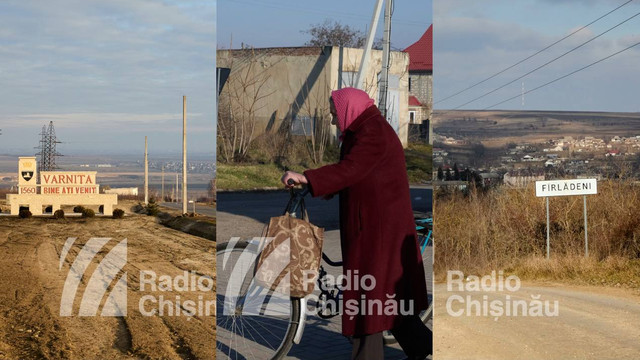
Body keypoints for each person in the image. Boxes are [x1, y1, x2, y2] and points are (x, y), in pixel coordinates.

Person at [281, 87, 432, 360]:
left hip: (378, 236)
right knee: (392, 307)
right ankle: (427, 350)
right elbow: (356, 173)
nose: (333, 120)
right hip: (378, 231)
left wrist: (307, 178)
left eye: (334, 115)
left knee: (368, 304)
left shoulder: (372, 133)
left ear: (348, 109)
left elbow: (351, 169)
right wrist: (320, 184)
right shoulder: (365, 129)